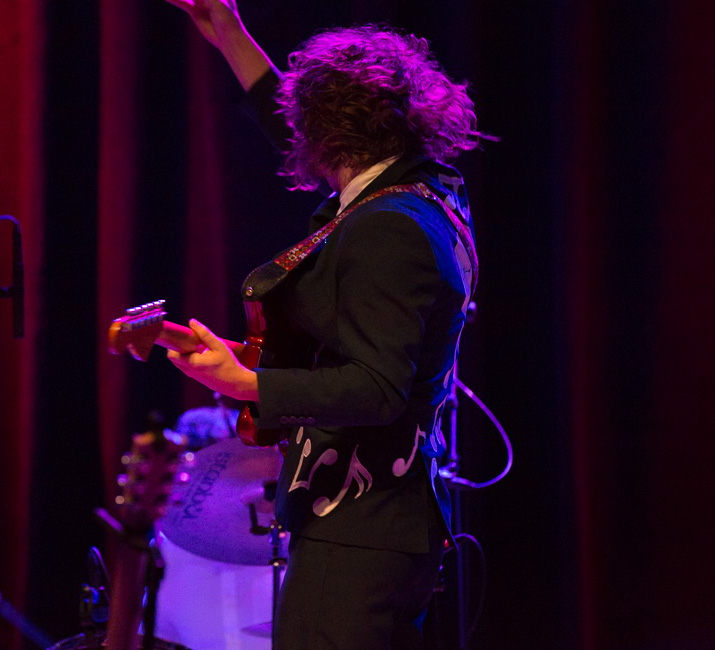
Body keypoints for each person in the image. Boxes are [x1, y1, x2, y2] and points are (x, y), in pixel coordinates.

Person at [162, 1, 484, 647]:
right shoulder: (423, 192)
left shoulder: (385, 227)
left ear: (323, 133)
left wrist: (249, 383)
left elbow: (376, 387)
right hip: (372, 523)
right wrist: (228, 31)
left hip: (363, 527)